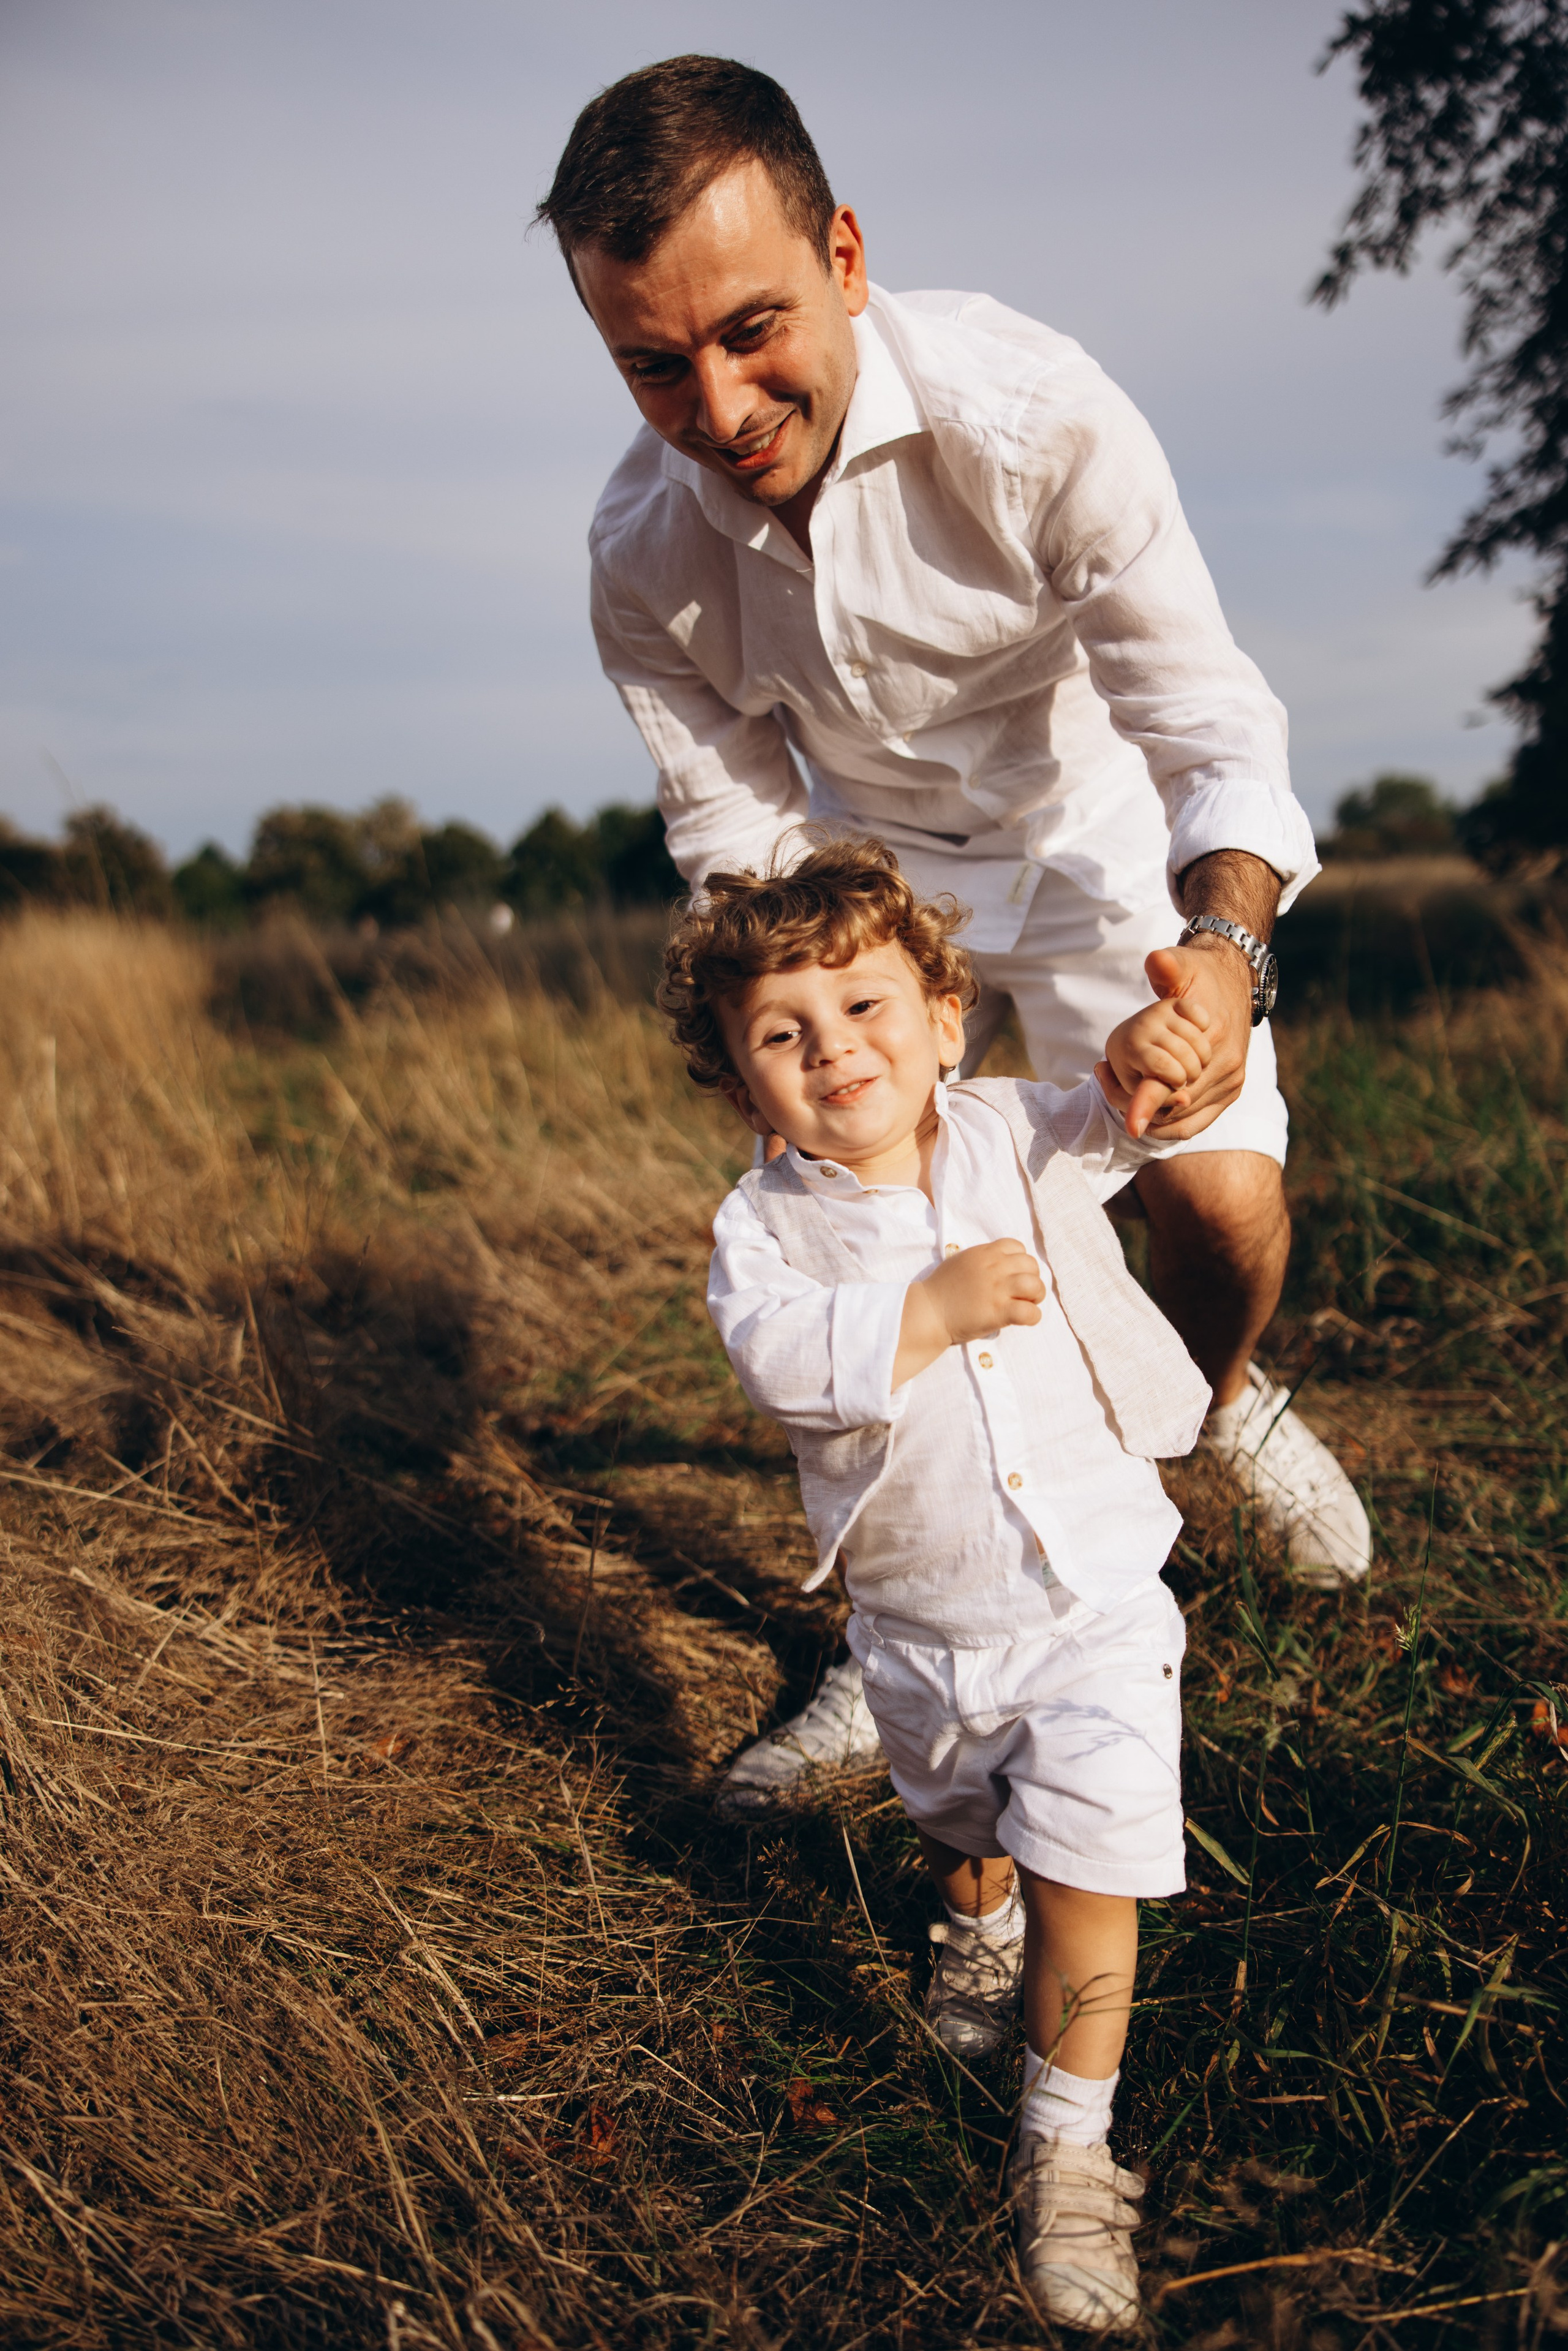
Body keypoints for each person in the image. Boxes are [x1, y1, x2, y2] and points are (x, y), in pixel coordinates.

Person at [535, 53, 1370, 1818]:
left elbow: (1213, 728)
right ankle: (904, 1623)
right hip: (863, 920)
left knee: (1213, 1208)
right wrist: (812, 1057)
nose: (721, 398)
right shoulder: (637, 560)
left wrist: (1219, 959)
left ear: (844, 250)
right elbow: (739, 850)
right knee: (863, 1269)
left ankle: (1191, 1414)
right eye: (652, 362)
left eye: (753, 327)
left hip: (1098, 852)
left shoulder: (1038, 416)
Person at [658, 835, 1212, 2333]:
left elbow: (1111, 1122)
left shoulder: (1006, 1134)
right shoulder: (761, 1230)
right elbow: (779, 1361)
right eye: (782, 1033)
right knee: (961, 1827)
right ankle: (970, 1929)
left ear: (943, 1015)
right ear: (738, 1078)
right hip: (921, 1624)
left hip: (1095, 1601)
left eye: (866, 1006)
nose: (834, 1048)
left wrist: (1147, 1058)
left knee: (1084, 1873)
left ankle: (1065, 2154)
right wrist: (921, 1308)